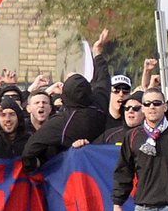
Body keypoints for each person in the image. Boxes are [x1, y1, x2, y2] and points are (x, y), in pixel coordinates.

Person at [22, 29, 111, 172]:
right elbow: (103, 78)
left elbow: (29, 150)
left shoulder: (62, 122)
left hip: (70, 176)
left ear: (65, 97)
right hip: (100, 172)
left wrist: (40, 165)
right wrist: (98, 53)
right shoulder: (100, 103)